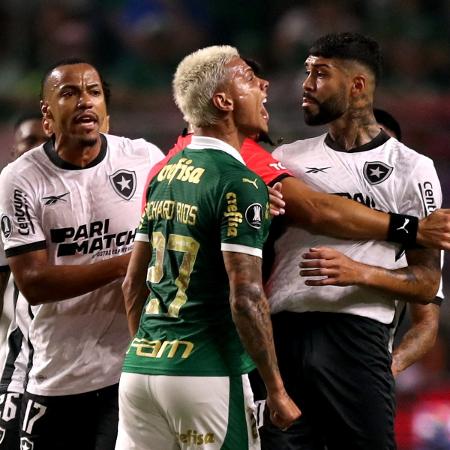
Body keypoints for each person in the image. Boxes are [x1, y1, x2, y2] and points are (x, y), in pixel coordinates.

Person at [260, 32, 443, 450]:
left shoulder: (413, 169)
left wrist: (359, 273)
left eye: (320, 74)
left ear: (357, 85)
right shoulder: (289, 160)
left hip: (357, 335)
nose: (305, 85)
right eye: (306, 72)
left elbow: (426, 283)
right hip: (281, 336)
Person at [116, 45, 300, 450]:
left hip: (141, 372)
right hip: (206, 373)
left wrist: (154, 354)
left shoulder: (164, 175)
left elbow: (133, 285)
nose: (263, 85)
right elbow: (247, 297)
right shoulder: (242, 181)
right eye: (249, 80)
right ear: (223, 101)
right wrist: (277, 389)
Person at [0, 58, 164, 450]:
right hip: (56, 371)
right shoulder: (19, 180)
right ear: (48, 116)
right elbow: (34, 282)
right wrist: (126, 265)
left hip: (131, 368)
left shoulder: (143, 159)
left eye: (93, 93)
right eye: (69, 93)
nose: (84, 102)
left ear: (106, 112)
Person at [373, 108, 441, 378]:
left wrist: (391, 367)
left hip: (366, 355)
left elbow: (426, 323)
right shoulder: (317, 204)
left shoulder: (420, 226)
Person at [0, 113, 50, 450]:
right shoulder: (8, 205)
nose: (37, 150)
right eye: (28, 142)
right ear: (14, 152)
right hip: (21, 358)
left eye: (44, 141)